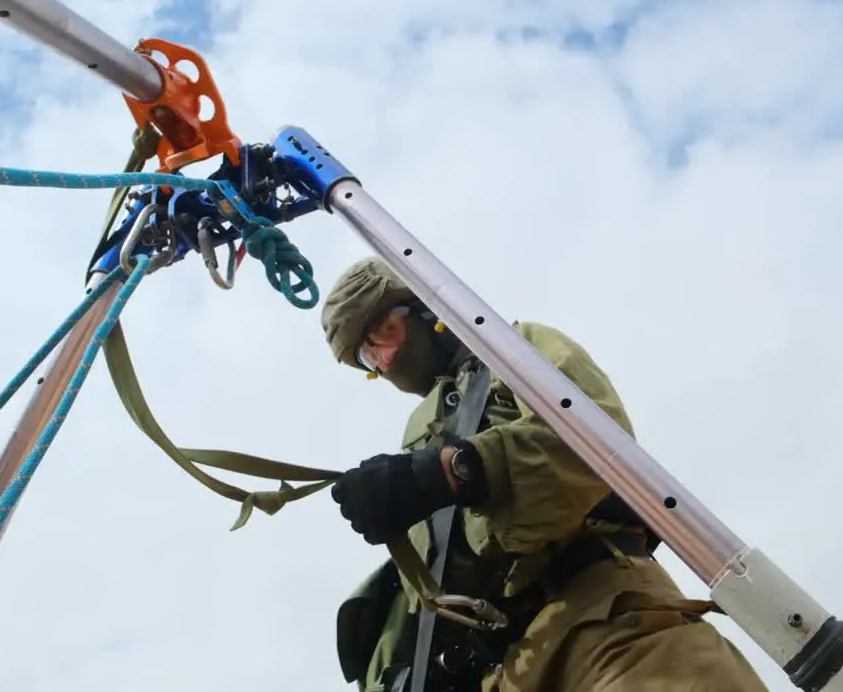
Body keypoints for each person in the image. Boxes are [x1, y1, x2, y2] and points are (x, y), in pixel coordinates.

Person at [321, 256, 769, 692]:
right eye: (367, 354)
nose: (384, 357)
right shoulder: (417, 431)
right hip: (508, 667)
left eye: (385, 332)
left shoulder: (515, 348)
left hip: (607, 630)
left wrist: (456, 470)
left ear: (421, 309)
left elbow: (596, 445)